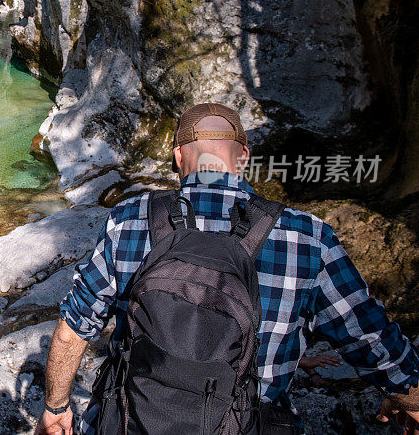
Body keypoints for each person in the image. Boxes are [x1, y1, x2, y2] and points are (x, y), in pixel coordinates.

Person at [34, 102, 419, 435]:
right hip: (250, 421)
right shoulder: (307, 236)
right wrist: (410, 397)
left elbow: (74, 329)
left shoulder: (130, 219)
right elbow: (368, 336)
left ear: (178, 156)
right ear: (244, 158)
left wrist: (56, 407)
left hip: (136, 417)